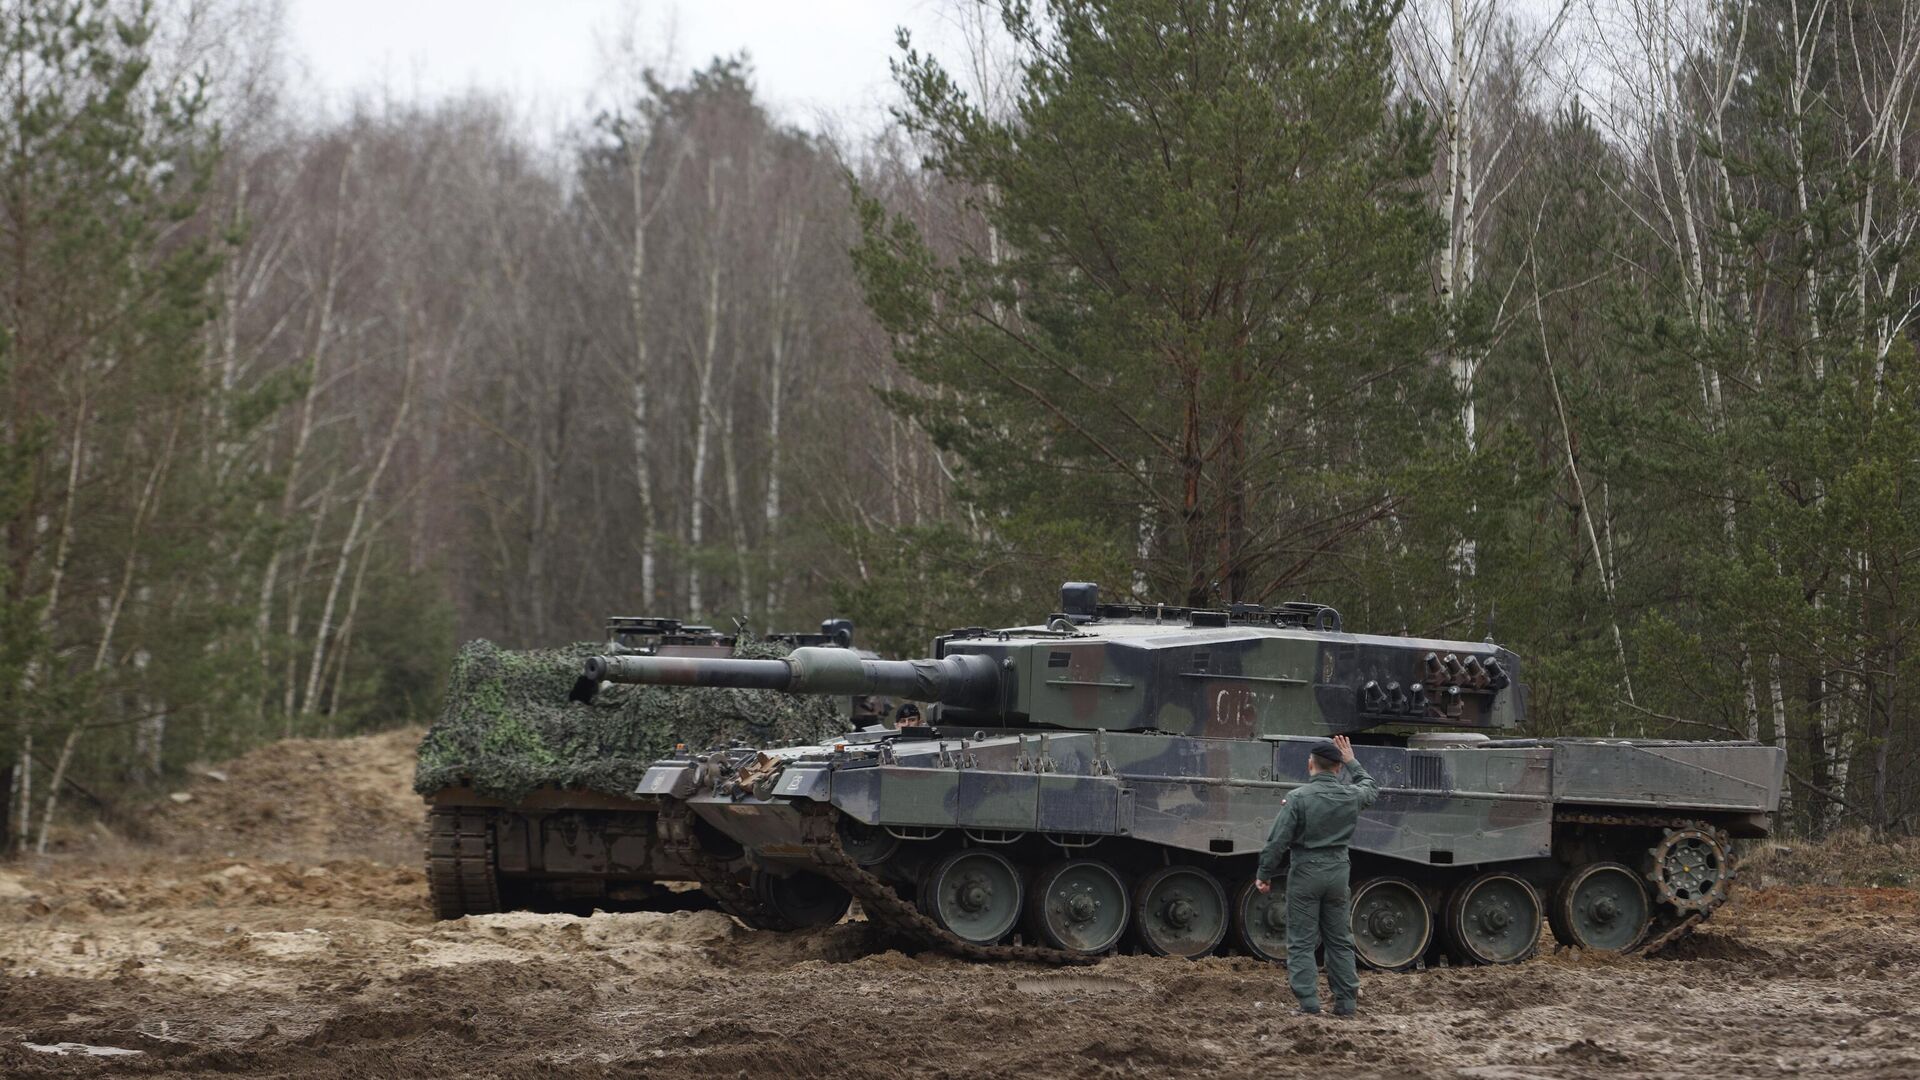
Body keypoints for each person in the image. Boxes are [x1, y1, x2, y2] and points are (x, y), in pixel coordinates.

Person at [1253, 734, 1378, 1017]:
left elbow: (1277, 842)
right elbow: (1371, 787)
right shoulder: (1350, 795)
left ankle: (1309, 1004)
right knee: (1339, 940)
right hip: (1337, 873)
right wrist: (1352, 762)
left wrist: (1264, 873)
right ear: (1337, 768)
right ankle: (1346, 1004)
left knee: (1301, 941)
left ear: (1310, 764)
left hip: (1306, 872)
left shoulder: (1298, 798)